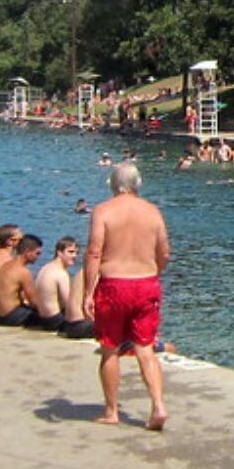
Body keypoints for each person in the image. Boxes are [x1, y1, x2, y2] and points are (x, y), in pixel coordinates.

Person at [85, 162, 173, 430]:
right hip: (146, 283)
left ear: (113, 184)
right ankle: (158, 405)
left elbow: (94, 252)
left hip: (114, 283)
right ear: (138, 184)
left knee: (110, 348)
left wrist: (89, 291)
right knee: (145, 349)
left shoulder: (103, 211)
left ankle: (112, 411)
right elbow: (164, 253)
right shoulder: (152, 212)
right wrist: (153, 270)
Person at [0, 235, 44, 327]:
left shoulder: (6, 265)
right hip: (11, 316)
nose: (38, 257)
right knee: (50, 317)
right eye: (37, 253)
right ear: (27, 251)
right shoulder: (23, 272)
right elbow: (34, 302)